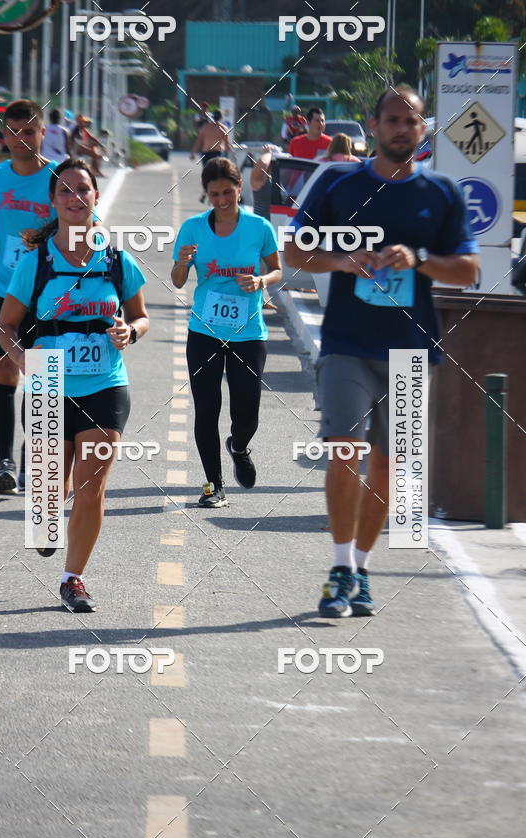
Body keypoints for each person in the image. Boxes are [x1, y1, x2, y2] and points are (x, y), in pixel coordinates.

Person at [284, 85, 479, 617]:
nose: (400, 128)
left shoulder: (441, 193)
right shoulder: (340, 183)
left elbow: (467, 271)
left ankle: (363, 570)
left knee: (388, 467)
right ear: (373, 126)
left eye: (410, 121)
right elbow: (294, 249)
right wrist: (345, 261)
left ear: (422, 130)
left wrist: (416, 257)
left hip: (412, 349)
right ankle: (340, 566)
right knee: (345, 451)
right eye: (391, 119)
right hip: (347, 342)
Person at [0, 159, 149, 612]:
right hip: (47, 380)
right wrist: (22, 358)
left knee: (92, 488)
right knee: (47, 497)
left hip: (105, 383)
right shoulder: (36, 262)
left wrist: (131, 332)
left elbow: (141, 316)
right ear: (53, 201)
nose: (75, 197)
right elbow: (5, 325)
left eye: (83, 189)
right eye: (65, 190)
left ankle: (73, 578)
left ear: (96, 198)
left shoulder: (118, 259)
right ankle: (47, 514)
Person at [171, 157, 282, 507]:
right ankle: (213, 485)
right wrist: (182, 262)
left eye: (228, 193)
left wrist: (261, 280)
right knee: (206, 409)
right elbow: (177, 281)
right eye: (214, 194)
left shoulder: (259, 227)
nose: (222, 200)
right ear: (206, 194)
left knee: (247, 411)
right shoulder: (192, 228)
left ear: (239, 189)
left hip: (248, 332)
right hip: (204, 330)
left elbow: (277, 270)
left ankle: (238, 445)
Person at [0, 98, 58, 495]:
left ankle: (34, 458)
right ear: (3, 136)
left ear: (42, 133)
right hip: (1, 288)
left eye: (29, 132)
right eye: (13, 132)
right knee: (4, 369)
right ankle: (5, 464)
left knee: (38, 375)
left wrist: (44, 238)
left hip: (45, 291)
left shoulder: (59, 176)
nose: (20, 140)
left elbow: (82, 219)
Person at [249, 143, 284, 220]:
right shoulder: (260, 180)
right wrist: (268, 153)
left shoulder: (282, 179)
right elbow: (263, 163)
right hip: (261, 228)